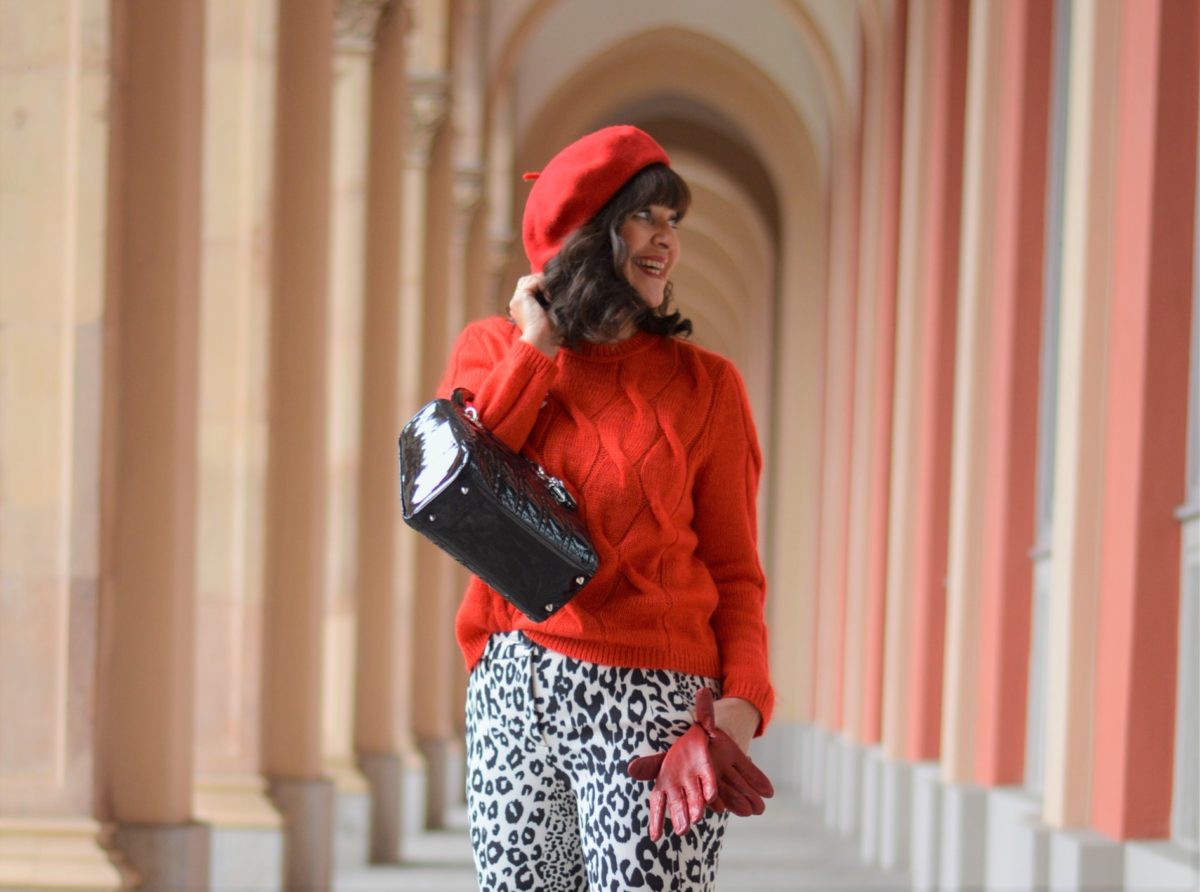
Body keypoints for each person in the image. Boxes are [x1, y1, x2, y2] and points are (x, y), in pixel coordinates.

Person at [436, 125, 775, 892]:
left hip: (655, 708)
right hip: (516, 692)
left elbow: (735, 571)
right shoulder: (493, 349)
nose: (666, 239)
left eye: (673, 221)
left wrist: (740, 708)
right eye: (644, 216)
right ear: (587, 229)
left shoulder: (707, 387)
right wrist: (538, 344)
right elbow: (469, 476)